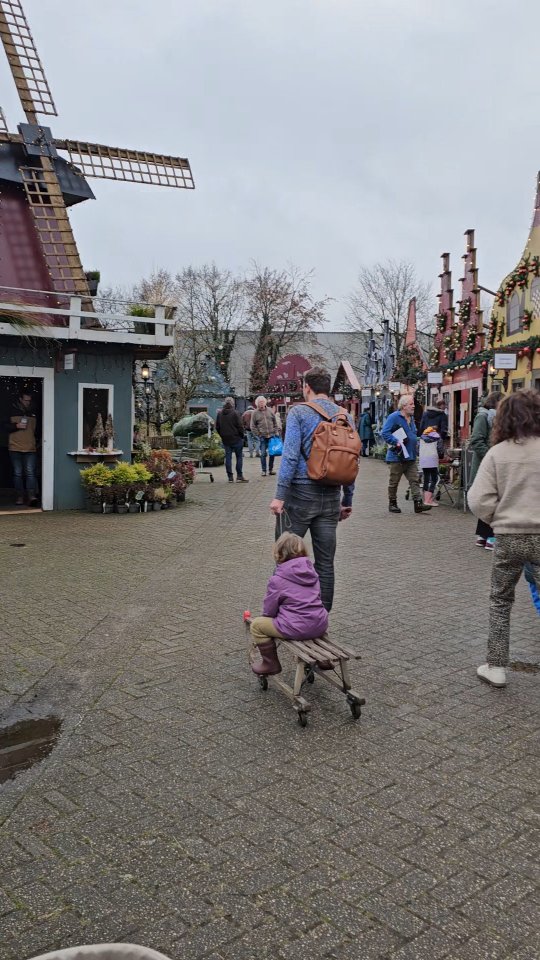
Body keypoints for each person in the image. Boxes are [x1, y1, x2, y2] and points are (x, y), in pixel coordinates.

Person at [467, 390, 540, 688]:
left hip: (509, 536)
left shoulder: (498, 453)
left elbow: (479, 499)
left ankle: (496, 665)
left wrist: (496, 519)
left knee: (500, 600)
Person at [269, 366, 355, 612]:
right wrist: (346, 499)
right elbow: (350, 459)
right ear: (328, 388)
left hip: (299, 497)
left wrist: (279, 496)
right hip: (330, 497)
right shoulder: (345, 415)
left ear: (307, 387)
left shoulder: (299, 413)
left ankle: (283, 613)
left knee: (285, 558)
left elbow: (290, 457)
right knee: (325, 563)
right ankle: (320, 616)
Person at [250, 532, 329, 677]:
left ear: (279, 553)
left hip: (296, 628)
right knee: (311, 618)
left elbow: (269, 609)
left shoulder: (278, 579)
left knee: (256, 625)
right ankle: (324, 658)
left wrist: (270, 618)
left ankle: (270, 664)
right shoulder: (312, 572)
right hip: (320, 624)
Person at [381, 394, 432, 514]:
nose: (414, 406)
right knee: (394, 481)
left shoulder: (412, 418)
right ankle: (392, 503)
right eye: (411, 404)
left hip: (411, 455)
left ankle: (418, 503)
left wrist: (420, 439)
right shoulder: (394, 417)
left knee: (414, 480)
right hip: (397, 456)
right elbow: (385, 433)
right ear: (404, 406)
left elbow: (412, 435)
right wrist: (396, 442)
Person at [469, 391, 503, 550]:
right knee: (492, 501)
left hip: (492, 465)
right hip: (487, 466)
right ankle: (489, 537)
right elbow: (476, 440)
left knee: (491, 499)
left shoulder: (494, 418)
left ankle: (483, 536)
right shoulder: (483, 417)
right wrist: (491, 456)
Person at [4, 391, 39, 506]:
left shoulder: (34, 412)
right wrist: (16, 426)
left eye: (29, 400)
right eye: (25, 400)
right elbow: (4, 426)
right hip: (15, 447)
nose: (28, 403)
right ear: (20, 399)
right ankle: (19, 497)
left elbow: (39, 430)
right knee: (17, 473)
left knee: (30, 473)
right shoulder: (11, 410)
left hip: (30, 447)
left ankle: (31, 496)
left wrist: (38, 442)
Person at [215, 397, 248, 483]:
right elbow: (240, 426)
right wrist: (241, 436)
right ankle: (239, 476)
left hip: (226, 439)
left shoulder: (220, 414)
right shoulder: (235, 413)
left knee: (228, 457)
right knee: (239, 457)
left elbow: (217, 427)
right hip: (236, 438)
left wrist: (222, 435)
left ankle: (230, 477)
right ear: (232, 404)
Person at [251, 396, 278, 477]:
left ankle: (270, 469)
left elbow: (275, 422)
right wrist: (258, 434)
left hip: (271, 435)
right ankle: (263, 470)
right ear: (257, 403)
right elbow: (253, 426)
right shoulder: (255, 413)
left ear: (265, 402)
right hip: (262, 436)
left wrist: (275, 431)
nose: (261, 403)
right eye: (260, 402)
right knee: (263, 454)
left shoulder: (270, 410)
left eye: (262, 402)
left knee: (272, 453)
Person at [418, 426, 444, 507]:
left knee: (426, 478)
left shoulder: (422, 438)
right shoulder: (438, 438)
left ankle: (425, 499)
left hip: (423, 459)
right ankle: (428, 500)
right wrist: (441, 457)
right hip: (432, 459)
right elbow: (440, 450)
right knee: (434, 479)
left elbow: (417, 449)